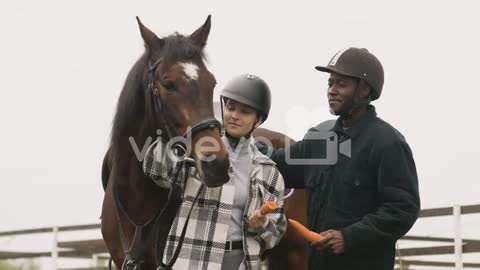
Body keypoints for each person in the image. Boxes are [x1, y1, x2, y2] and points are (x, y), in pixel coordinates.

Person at [265, 48, 420, 270]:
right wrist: (238, 144)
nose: (332, 91)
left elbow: (403, 208)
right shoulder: (320, 138)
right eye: (330, 83)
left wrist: (349, 237)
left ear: (365, 90)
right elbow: (277, 165)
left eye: (341, 84)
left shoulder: (388, 143)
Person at [143, 74, 286, 270]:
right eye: (230, 107)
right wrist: (171, 130)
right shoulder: (199, 153)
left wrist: (261, 224)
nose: (234, 115)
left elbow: (275, 233)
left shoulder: (269, 172)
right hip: (192, 262)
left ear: (258, 120)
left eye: (244, 112)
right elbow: (155, 170)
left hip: (241, 264)